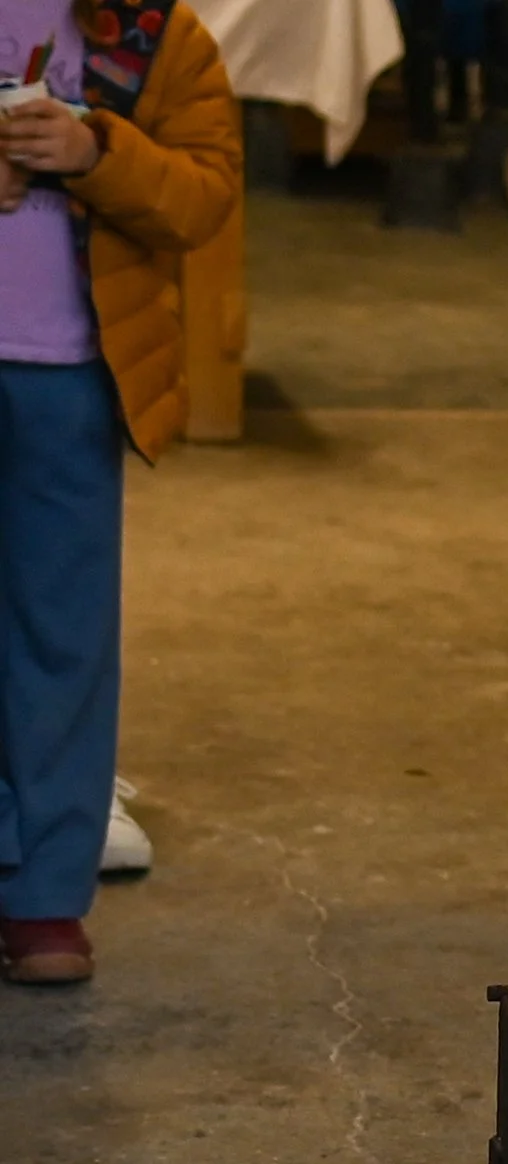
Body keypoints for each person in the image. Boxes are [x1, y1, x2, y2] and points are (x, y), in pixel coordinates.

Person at [0, 0, 238, 984]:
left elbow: (203, 196)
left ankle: (44, 896)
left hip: (70, 378)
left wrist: (96, 152)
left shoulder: (155, 33)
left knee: (63, 640)